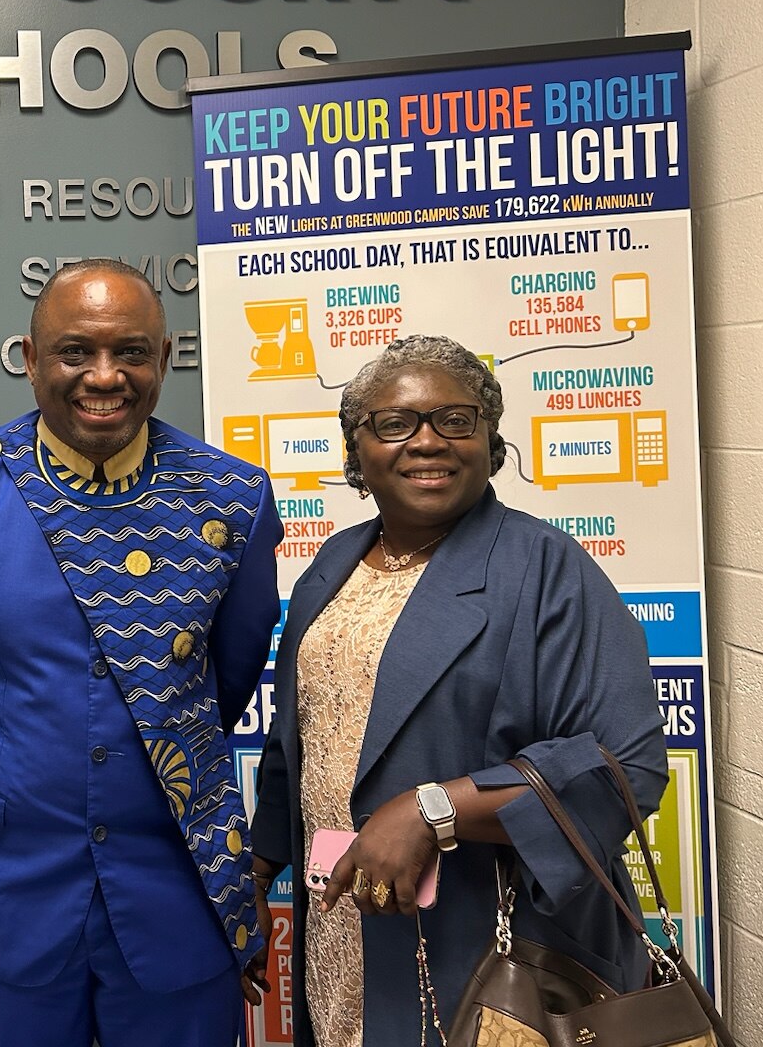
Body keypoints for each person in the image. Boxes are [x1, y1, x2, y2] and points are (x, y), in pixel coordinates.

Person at [0, 260, 282, 1046]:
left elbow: (224, 680)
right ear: (30, 360)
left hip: (178, 890)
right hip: (6, 892)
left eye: (132, 352)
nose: (105, 376)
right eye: (75, 352)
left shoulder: (233, 498)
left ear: (165, 358)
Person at [244, 335, 668, 1047]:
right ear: (357, 452)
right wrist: (257, 876)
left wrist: (434, 810)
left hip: (483, 951)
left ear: (489, 437)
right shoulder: (332, 565)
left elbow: (624, 767)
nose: (427, 441)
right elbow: (302, 744)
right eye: (395, 422)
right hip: (342, 937)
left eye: (455, 419)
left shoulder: (544, 568)